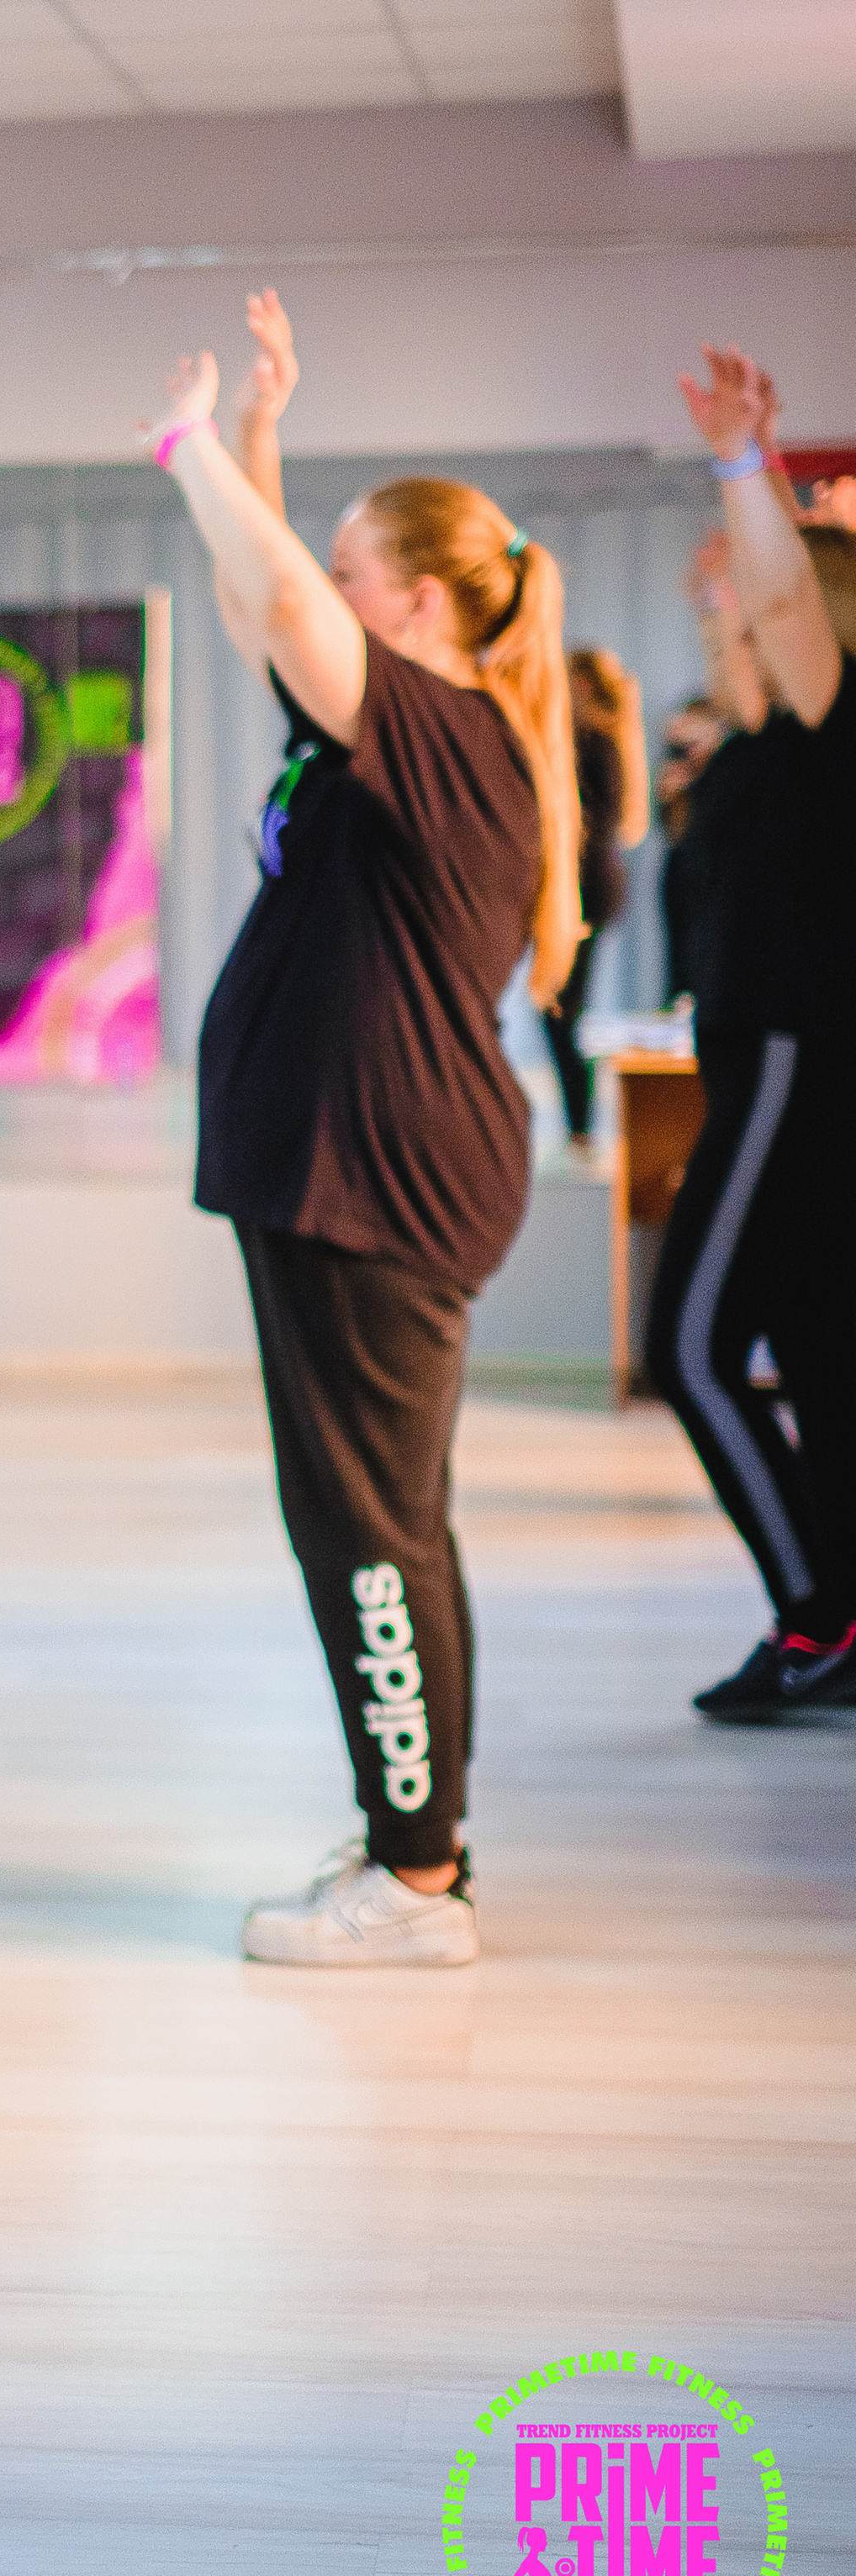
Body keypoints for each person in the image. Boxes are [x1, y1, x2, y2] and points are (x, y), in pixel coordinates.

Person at [142, 296, 580, 1968]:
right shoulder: (410, 730)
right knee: (387, 1518)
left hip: (373, 1176)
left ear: (409, 598)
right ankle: (418, 1837)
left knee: (364, 1528)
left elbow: (268, 597)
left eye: (345, 565)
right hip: (361, 1166)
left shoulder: (434, 729)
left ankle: (410, 1884)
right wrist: (257, 430)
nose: (320, 586)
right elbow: (276, 619)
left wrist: (194, 451)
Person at [647, 348, 856, 1720]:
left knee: (692, 1346)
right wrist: (729, 573)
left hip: (791, 1061)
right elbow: (753, 612)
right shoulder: (758, 747)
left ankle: (819, 1617)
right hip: (758, 1062)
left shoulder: (837, 733)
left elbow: (782, 598)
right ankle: (829, 1616)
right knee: (819, 1355)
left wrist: (745, 461)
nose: (732, 623)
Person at [540, 650, 649, 1151]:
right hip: (589, 888)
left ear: (581, 686)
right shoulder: (608, 739)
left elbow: (595, 822)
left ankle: (580, 1128)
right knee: (562, 1009)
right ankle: (579, 1127)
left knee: (561, 1009)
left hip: (582, 891)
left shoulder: (592, 742)